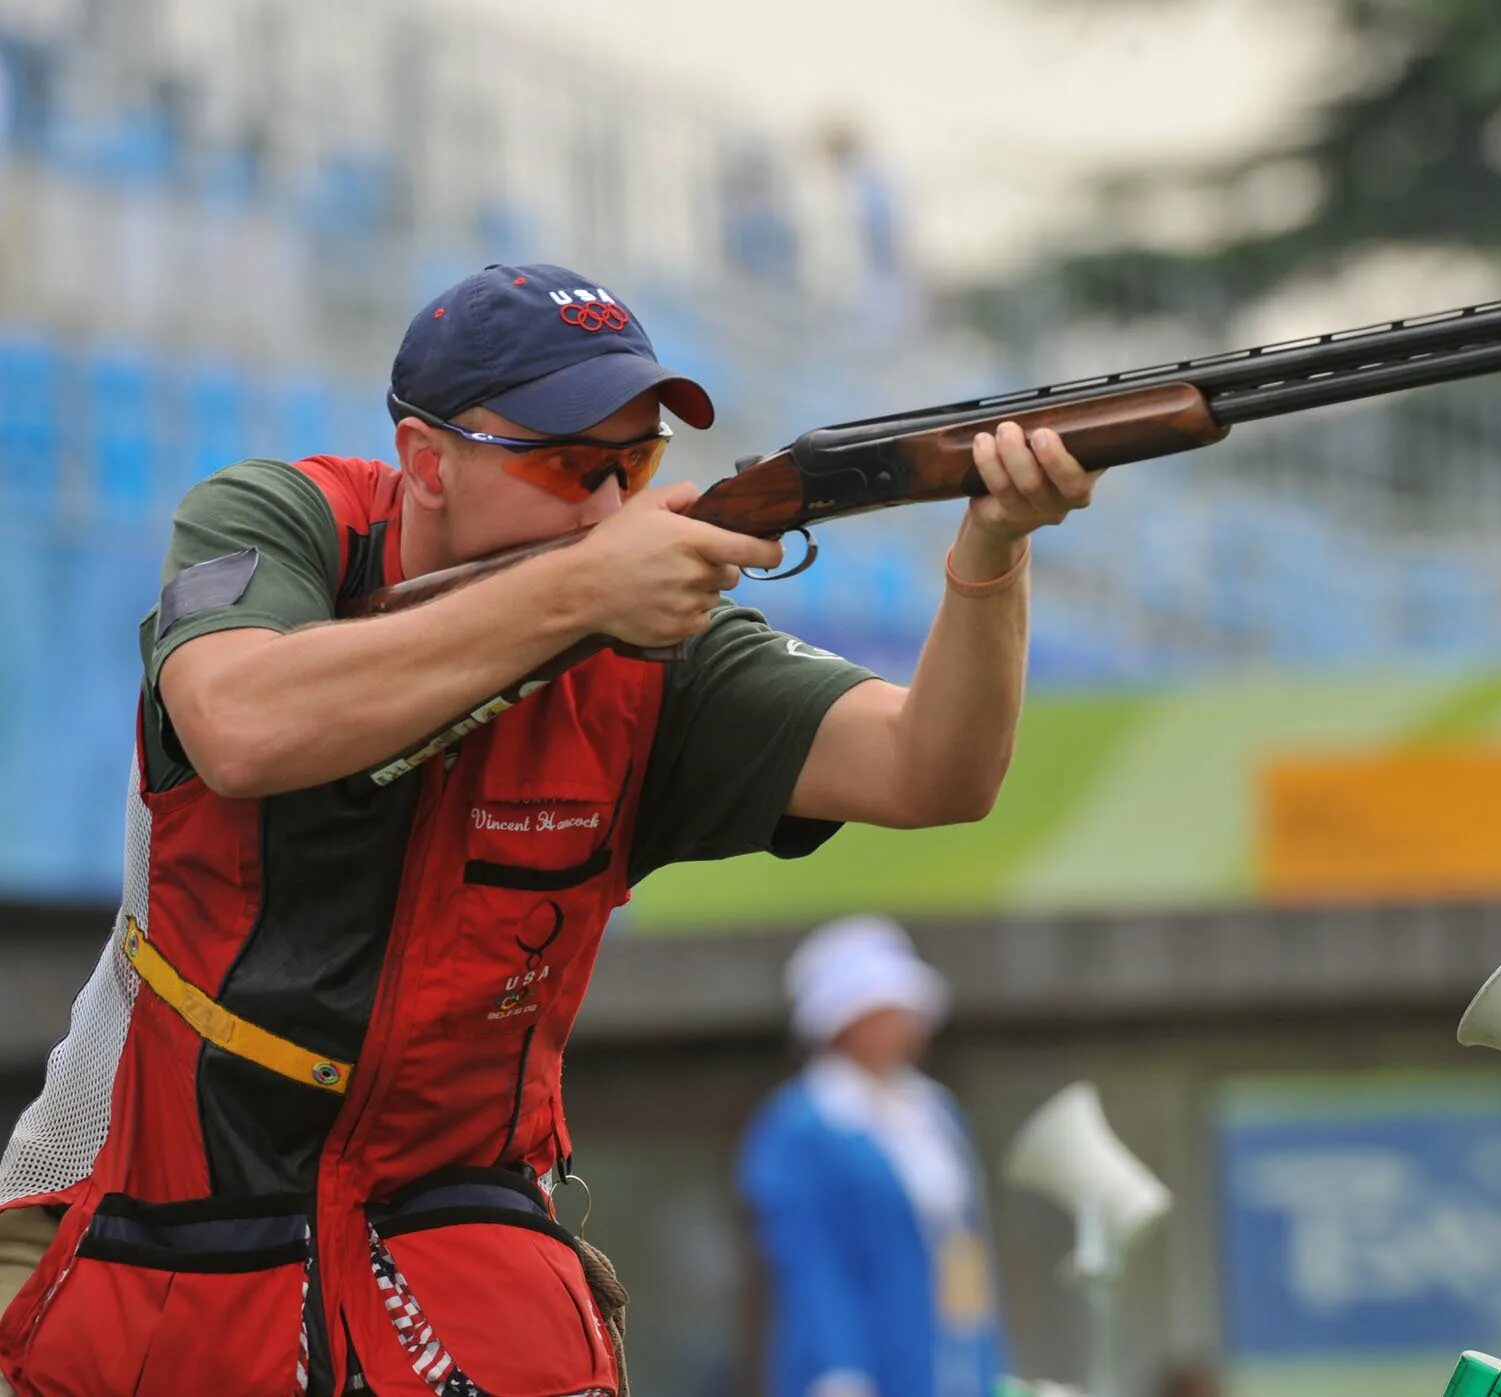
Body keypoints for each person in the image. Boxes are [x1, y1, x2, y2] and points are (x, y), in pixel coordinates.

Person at [0, 262, 1098, 1397]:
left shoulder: (653, 651)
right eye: (576, 466)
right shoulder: (285, 521)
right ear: (426, 460)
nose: (614, 510)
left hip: (456, 1254)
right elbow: (239, 723)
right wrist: (580, 594)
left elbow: (935, 768)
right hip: (154, 1241)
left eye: (641, 464)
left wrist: (993, 556)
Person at [739, 916, 1006, 1397]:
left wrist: (982, 1349)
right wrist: (839, 1371)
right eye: (883, 1010)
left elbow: (964, 1241)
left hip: (952, 1352)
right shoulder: (801, 1124)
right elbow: (810, 1263)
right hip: (862, 1362)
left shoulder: (935, 1110)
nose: (902, 1026)